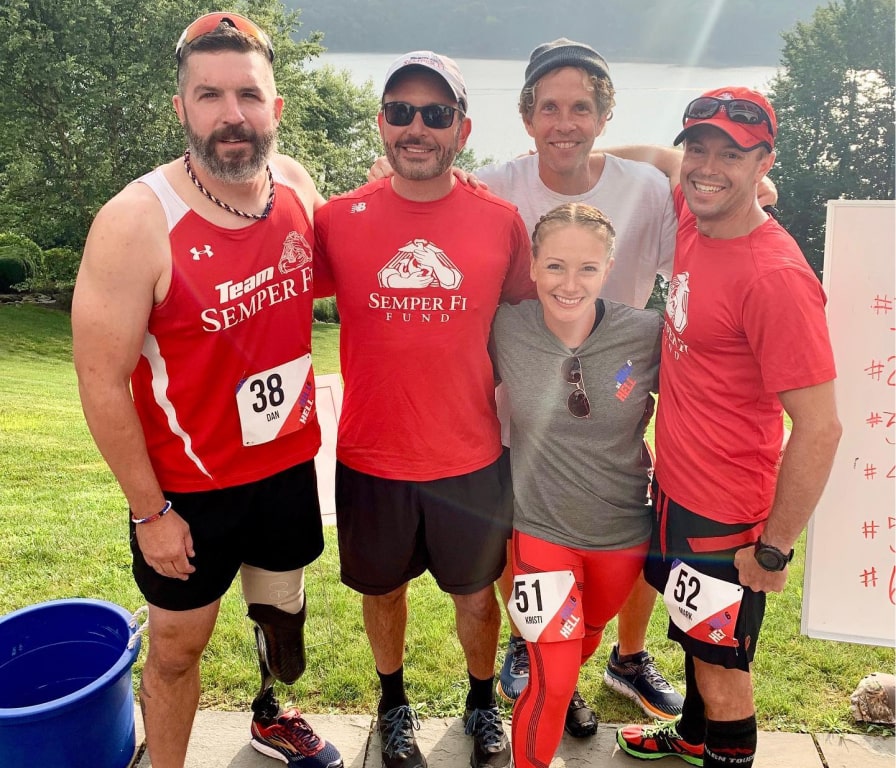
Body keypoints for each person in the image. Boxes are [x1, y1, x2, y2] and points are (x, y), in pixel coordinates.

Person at [369, 37, 684, 731]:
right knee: (522, 537)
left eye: (579, 107)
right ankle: (528, 640)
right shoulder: (495, 183)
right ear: (525, 116)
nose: (563, 122)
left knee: (626, 536)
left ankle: (627, 660)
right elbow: (426, 191)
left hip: (615, 407)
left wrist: (690, 164)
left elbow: (689, 260)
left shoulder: (648, 189)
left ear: (604, 115)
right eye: (548, 107)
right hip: (522, 400)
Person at [71, 12, 341, 768]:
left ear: (276, 108)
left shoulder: (293, 184)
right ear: (181, 107)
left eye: (249, 95)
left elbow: (328, 283)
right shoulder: (135, 222)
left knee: (281, 615)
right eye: (211, 95)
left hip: (288, 465)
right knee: (178, 648)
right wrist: (149, 511)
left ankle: (271, 713)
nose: (233, 116)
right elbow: (100, 384)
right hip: (189, 489)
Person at [313, 52, 535, 768]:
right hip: (370, 455)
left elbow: (531, 326)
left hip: (470, 456)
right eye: (401, 111)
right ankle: (392, 701)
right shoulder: (337, 220)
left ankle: (480, 702)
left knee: (475, 600)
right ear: (381, 123)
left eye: (436, 115)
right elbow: (270, 270)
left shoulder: (500, 222)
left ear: (461, 130)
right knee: (382, 593)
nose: (417, 127)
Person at [616, 87, 842, 767]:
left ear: (764, 160)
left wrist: (772, 551)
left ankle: (724, 751)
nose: (708, 166)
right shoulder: (694, 210)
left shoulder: (774, 277)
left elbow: (822, 427)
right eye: (701, 148)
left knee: (723, 670)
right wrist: (568, 157)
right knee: (689, 632)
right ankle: (689, 735)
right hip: (676, 492)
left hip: (726, 520)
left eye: (734, 155)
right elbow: (655, 157)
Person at [490, 202, 662, 768]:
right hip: (540, 531)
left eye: (587, 268)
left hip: (621, 537)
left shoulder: (646, 334)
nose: (569, 283)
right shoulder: (505, 325)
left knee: (581, 645)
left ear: (608, 268)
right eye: (556, 266)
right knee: (552, 680)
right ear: (533, 267)